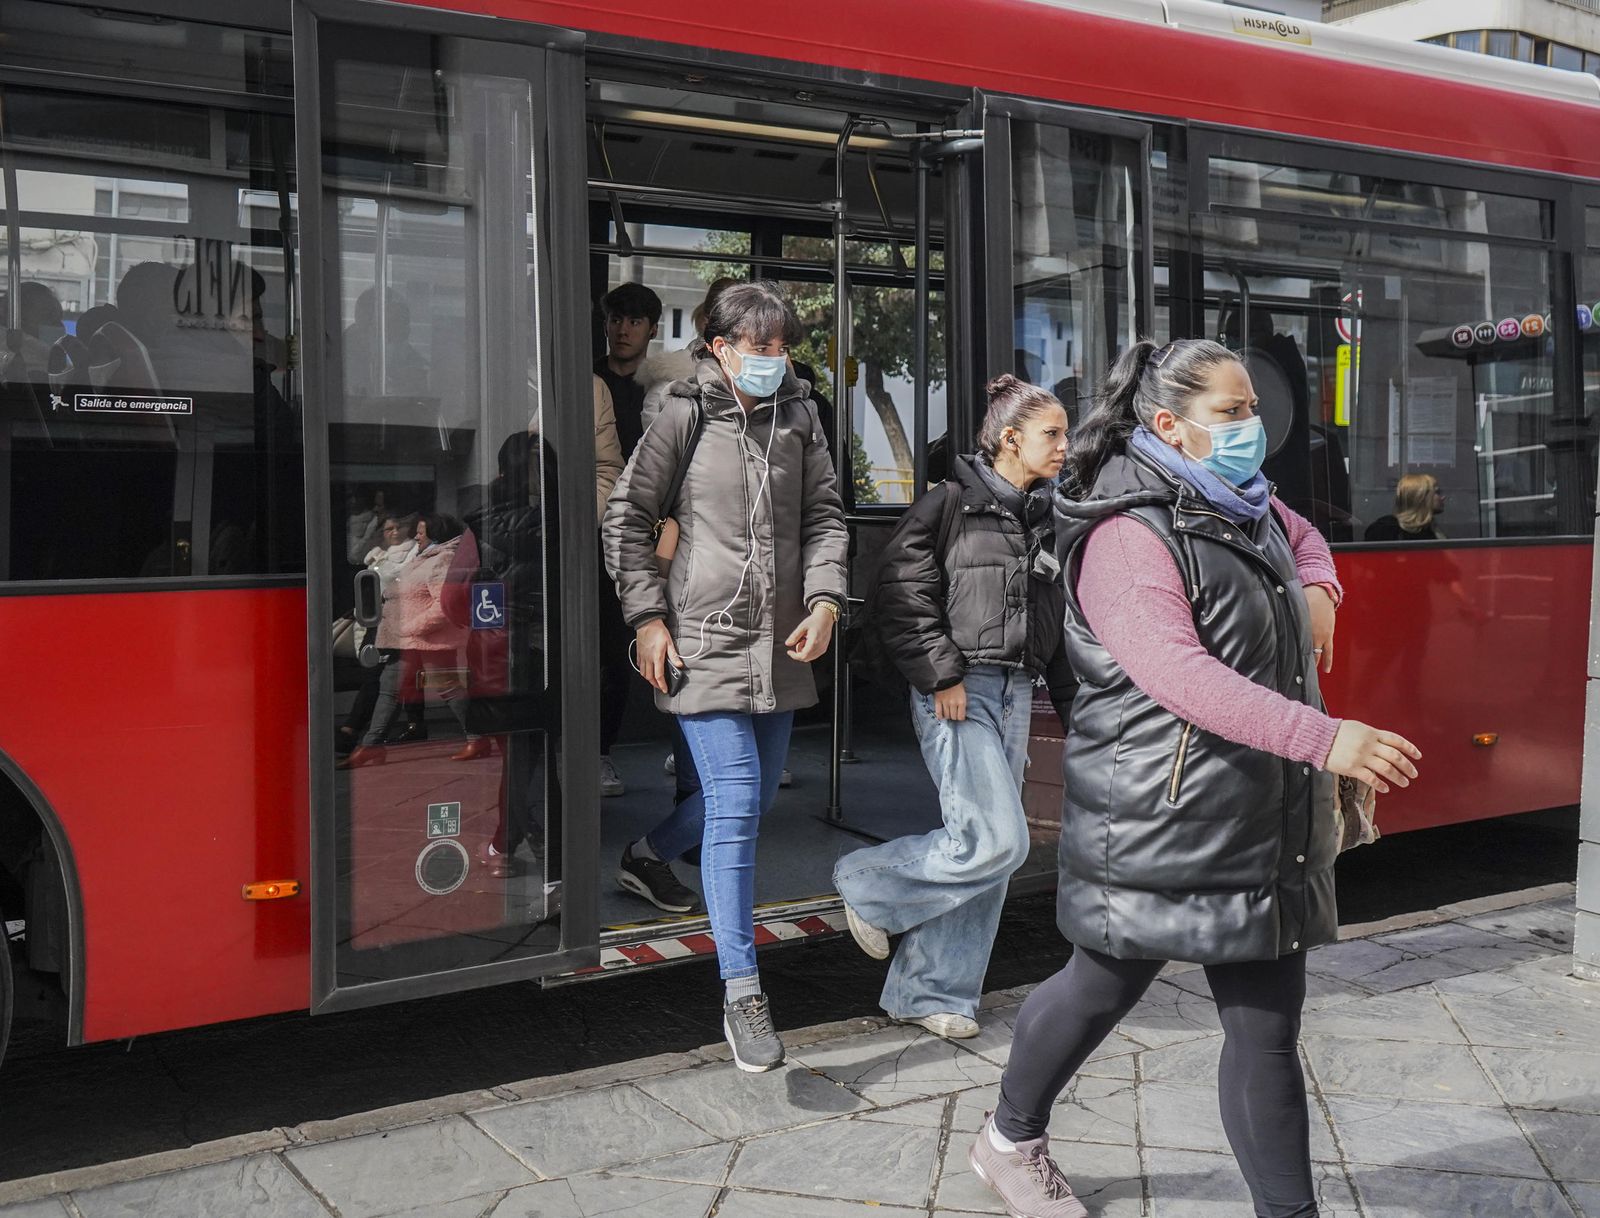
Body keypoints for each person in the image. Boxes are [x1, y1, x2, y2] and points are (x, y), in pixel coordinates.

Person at [970, 338, 1422, 1218]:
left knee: (1267, 1033)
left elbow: (1302, 536)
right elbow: (1178, 674)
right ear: (1169, 426)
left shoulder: (1246, 503)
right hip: (1154, 814)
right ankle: (1009, 1138)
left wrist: (1319, 585)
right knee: (1100, 987)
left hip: (1259, 812)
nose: (1253, 426)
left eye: (1254, 407)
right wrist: (1324, 739)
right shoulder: (1127, 534)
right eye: (1231, 411)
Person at [602, 280, 848, 1072]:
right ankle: (743, 990)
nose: (774, 358)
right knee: (738, 798)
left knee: (759, 794)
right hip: (700, 640)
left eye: (782, 346)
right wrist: (647, 618)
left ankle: (648, 853)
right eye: (759, 346)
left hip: (780, 642)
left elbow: (825, 518)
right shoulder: (682, 412)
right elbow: (627, 517)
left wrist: (826, 600)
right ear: (720, 346)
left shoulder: (800, 417)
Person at [834, 375, 1078, 1039]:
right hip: (958, 689)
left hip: (1017, 689)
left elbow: (1057, 621)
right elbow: (901, 594)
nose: (1065, 445)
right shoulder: (948, 504)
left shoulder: (1048, 517)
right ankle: (867, 880)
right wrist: (941, 675)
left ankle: (932, 993)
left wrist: (1076, 708)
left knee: (991, 856)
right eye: (1052, 433)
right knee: (997, 839)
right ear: (1010, 439)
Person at [595, 281, 663, 798]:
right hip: (593, 523)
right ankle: (594, 750)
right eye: (616, 319)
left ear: (651, 330)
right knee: (598, 645)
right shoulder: (586, 380)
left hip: (648, 528)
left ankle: (608, 749)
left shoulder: (662, 388)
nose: (623, 330)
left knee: (625, 645)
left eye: (634, 322)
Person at [343, 514, 482, 767]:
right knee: (389, 690)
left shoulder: (442, 559)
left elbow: (444, 605)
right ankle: (371, 746)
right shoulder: (423, 557)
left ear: (436, 534)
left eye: (421, 532)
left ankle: (477, 738)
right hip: (407, 640)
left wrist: (412, 627)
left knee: (449, 689)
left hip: (428, 640)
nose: (416, 536)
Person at [1364, 472, 1445, 541]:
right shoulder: (1385, 530)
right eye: (1437, 492)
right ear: (1420, 497)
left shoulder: (1431, 529)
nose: (1443, 497)